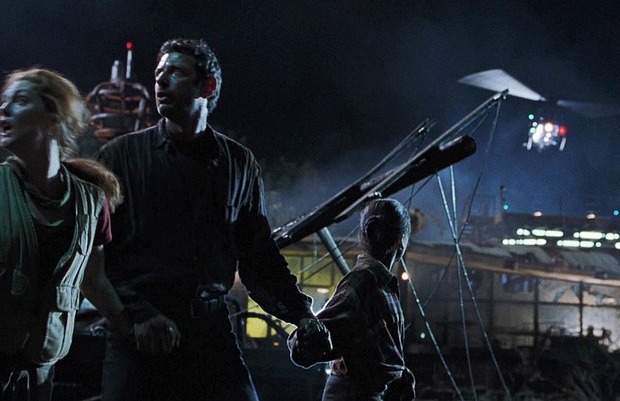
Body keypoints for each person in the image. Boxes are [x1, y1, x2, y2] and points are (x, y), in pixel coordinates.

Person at [96, 38, 329, 400]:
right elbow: (98, 257)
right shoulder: (120, 158)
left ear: (208, 86)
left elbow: (259, 258)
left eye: (175, 72)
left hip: (209, 332)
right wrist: (137, 315)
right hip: (140, 334)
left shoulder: (239, 165)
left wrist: (301, 315)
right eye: (158, 73)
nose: (160, 80)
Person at [0, 68, 131, 400]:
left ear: (54, 117)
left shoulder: (91, 203)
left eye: (20, 100)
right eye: (3, 102)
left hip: (34, 380)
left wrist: (130, 329)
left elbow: (93, 281)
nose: (4, 109)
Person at [289, 198, 416, 401]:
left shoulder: (379, 284)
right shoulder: (363, 282)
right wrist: (307, 333)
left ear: (362, 236)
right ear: (401, 243)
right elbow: (307, 345)